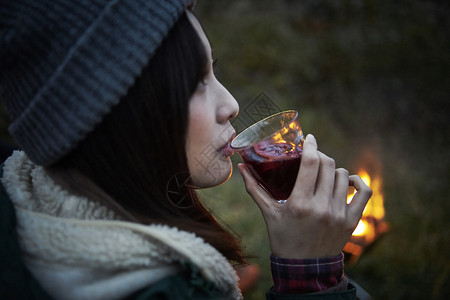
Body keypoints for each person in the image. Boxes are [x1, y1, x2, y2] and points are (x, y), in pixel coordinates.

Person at [0, 0, 372, 299]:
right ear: (121, 115)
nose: (230, 105)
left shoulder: (21, 194)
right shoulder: (161, 290)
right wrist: (309, 275)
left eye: (214, 73)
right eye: (197, 81)